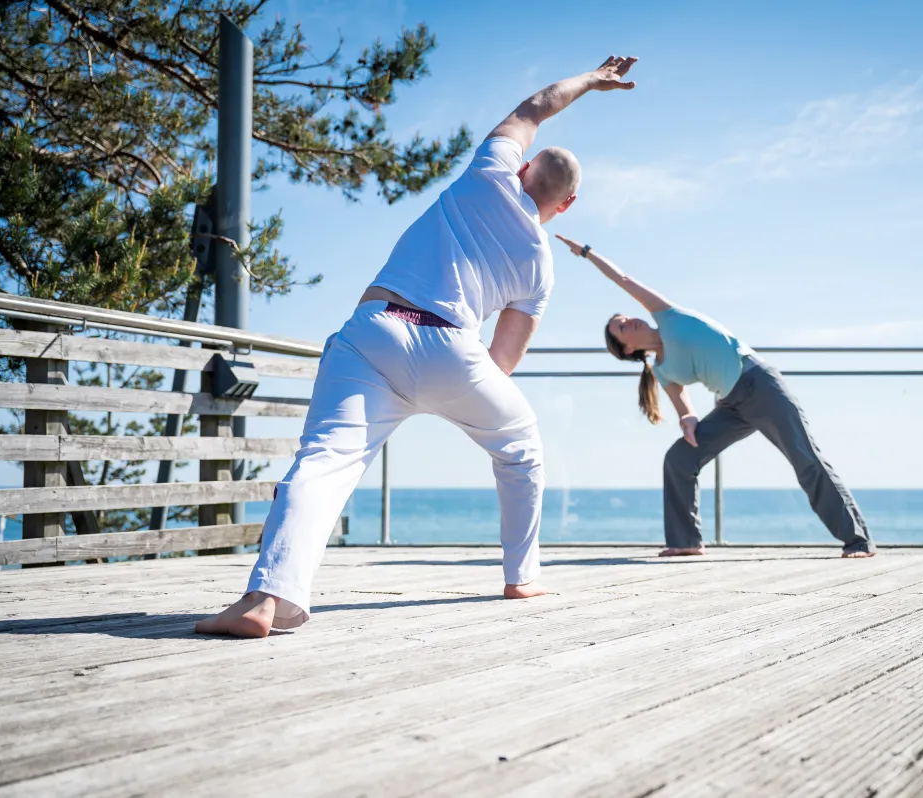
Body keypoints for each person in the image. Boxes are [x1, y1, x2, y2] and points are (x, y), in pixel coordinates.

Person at [196, 56, 640, 638]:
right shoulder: (541, 266)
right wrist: (453, 391)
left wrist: (589, 79)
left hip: (370, 331)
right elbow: (502, 363)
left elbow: (535, 107)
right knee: (522, 446)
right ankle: (521, 576)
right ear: (567, 205)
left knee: (324, 461)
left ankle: (266, 596)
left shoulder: (490, 168)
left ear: (525, 165)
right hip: (452, 346)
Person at [555, 234, 875, 559]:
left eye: (623, 317)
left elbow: (621, 278)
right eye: (621, 328)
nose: (628, 321)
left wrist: (586, 252)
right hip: (731, 405)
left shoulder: (666, 314)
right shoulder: (662, 371)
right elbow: (685, 409)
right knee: (680, 458)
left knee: (805, 458)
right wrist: (688, 422)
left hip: (758, 384)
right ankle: (686, 541)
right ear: (627, 348)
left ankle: (858, 540)